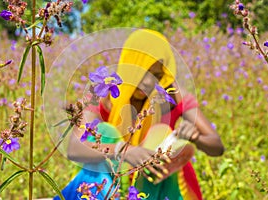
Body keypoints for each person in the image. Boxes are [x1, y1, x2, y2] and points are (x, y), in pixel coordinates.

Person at [55, 29, 224, 200]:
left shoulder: (172, 94)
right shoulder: (104, 91)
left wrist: (196, 137)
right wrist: (122, 151)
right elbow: (74, 148)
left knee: (161, 134)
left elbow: (216, 146)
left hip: (161, 184)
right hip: (109, 182)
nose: (149, 82)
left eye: (157, 75)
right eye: (143, 71)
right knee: (106, 132)